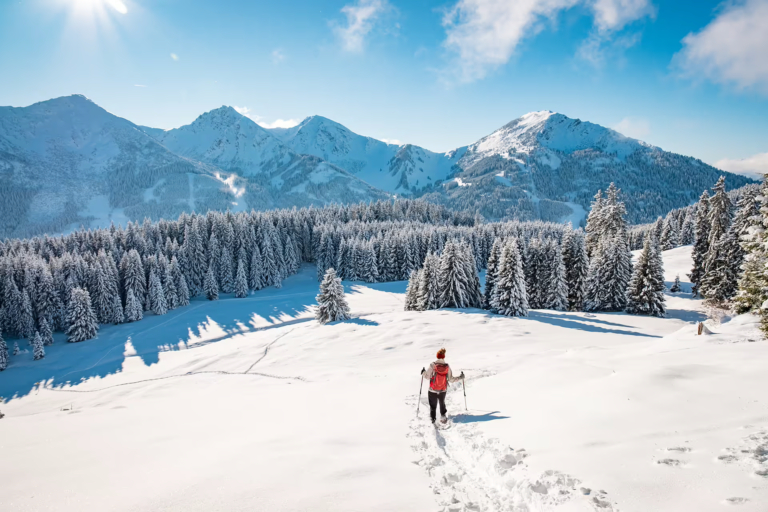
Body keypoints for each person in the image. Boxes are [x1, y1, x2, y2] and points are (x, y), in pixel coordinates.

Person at [421, 348, 464, 424]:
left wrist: (423, 372)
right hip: (442, 389)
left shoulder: (433, 365)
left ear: (437, 356)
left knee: (433, 406)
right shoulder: (447, 366)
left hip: (432, 390)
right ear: (443, 357)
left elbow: (427, 376)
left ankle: (433, 420)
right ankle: (443, 418)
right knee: (442, 403)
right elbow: (451, 379)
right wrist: (460, 377)